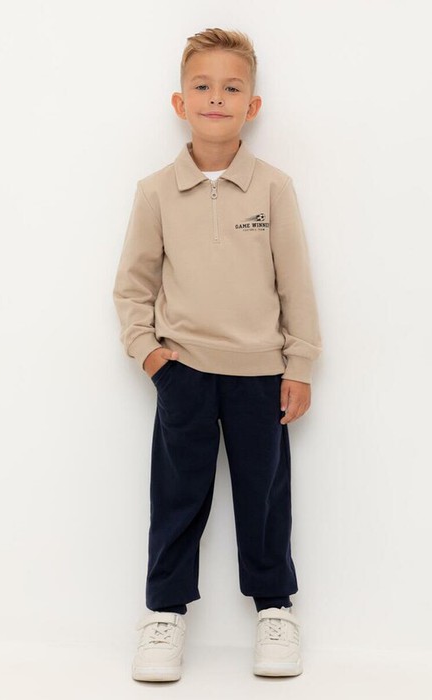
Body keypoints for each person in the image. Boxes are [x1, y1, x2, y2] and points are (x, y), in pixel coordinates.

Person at [112, 27, 322, 683]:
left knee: (265, 499)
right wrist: (151, 356)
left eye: (231, 88)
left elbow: (295, 283)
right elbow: (132, 286)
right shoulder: (155, 191)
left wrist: (299, 365)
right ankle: (164, 614)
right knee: (178, 498)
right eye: (202, 86)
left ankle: (275, 609)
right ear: (180, 102)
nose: (215, 98)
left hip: (261, 375)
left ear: (251, 106)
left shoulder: (273, 188)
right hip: (184, 374)